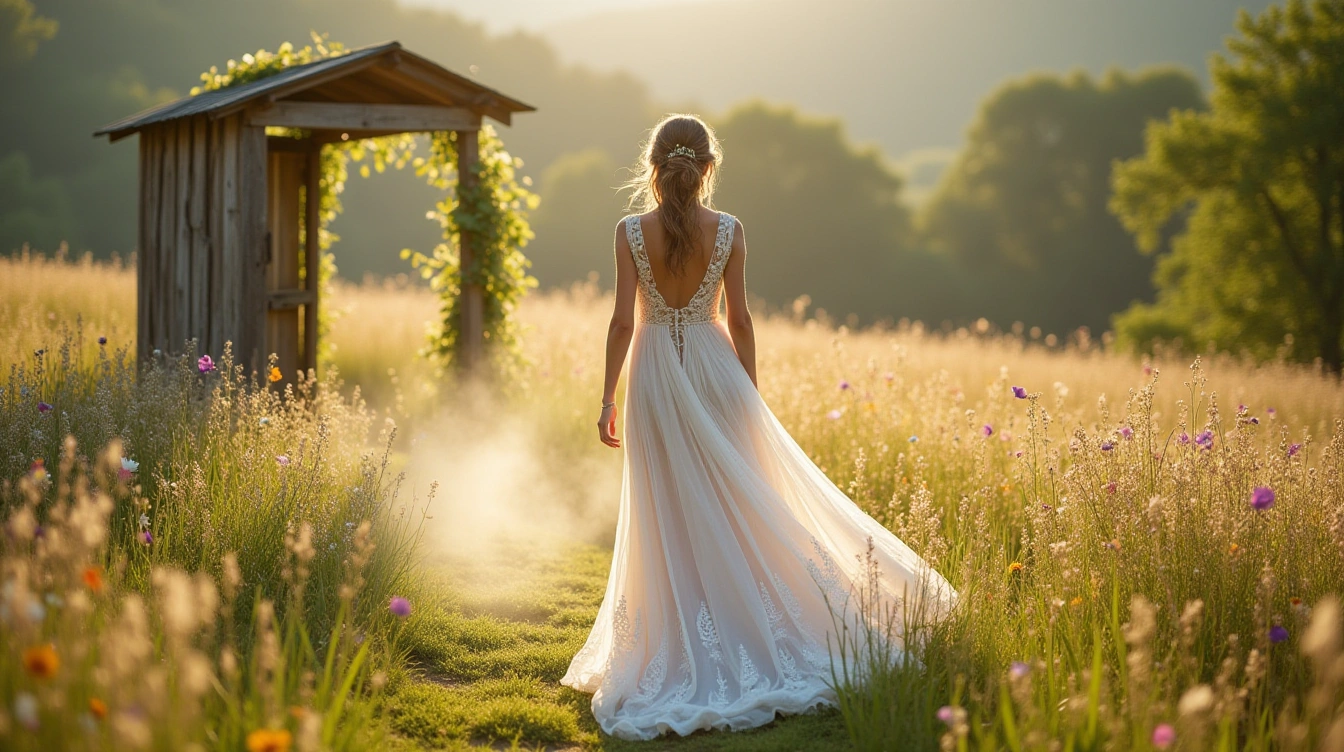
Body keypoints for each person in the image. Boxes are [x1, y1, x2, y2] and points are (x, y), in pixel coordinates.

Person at [560, 114, 957, 741]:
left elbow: (619, 323)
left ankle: (686, 633)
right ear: (708, 167)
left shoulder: (630, 231)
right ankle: (753, 622)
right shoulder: (732, 231)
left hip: (656, 371)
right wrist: (748, 394)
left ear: (653, 167)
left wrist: (607, 397)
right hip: (717, 371)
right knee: (736, 500)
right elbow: (741, 321)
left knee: (667, 505)